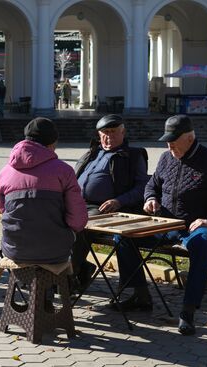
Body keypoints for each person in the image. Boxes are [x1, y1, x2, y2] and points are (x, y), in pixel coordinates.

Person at [115, 115, 207, 336]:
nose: (169, 145)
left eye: (173, 140)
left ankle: (188, 311)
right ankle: (140, 294)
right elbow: (152, 185)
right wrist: (150, 199)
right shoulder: (167, 158)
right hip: (165, 225)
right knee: (124, 236)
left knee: (202, 244)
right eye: (167, 140)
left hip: (196, 226)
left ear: (189, 138)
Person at [71, 114, 149, 291]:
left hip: (105, 208)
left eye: (113, 132)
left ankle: (68, 276)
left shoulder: (133, 155)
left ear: (123, 133)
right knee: (50, 222)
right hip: (78, 204)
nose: (108, 137)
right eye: (104, 132)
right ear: (99, 134)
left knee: (79, 226)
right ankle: (78, 268)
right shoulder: (91, 153)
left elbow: (143, 186)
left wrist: (119, 201)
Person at [0, 117, 88, 265]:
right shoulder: (64, 170)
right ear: (53, 143)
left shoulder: (5, 172)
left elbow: (4, 210)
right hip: (55, 250)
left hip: (14, 249)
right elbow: (77, 220)